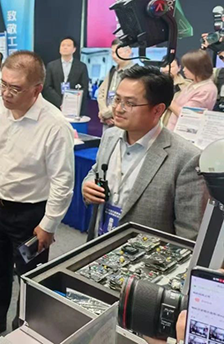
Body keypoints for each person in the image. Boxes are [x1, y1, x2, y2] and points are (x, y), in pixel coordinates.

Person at [0, 51, 75, 344]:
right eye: (3, 84)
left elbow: (62, 181)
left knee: (31, 278)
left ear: (37, 89)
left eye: (15, 88)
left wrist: (49, 224)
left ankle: (24, 330)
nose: (6, 93)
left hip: (32, 216)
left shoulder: (54, 124)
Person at [83, 66, 205, 241]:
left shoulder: (186, 158)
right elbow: (96, 171)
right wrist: (88, 184)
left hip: (144, 254)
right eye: (117, 99)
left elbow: (189, 234)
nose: (118, 108)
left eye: (130, 103)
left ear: (157, 110)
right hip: (99, 244)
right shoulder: (110, 136)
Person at [167, 50, 218, 130]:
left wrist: (167, 100)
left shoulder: (206, 90)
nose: (183, 70)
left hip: (184, 132)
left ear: (197, 69)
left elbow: (187, 115)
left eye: (187, 67)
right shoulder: (193, 84)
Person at [43, 37, 90, 115]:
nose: (65, 47)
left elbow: (84, 87)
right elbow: (47, 87)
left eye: (68, 45)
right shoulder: (51, 66)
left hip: (74, 107)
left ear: (74, 49)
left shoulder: (81, 66)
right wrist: (60, 102)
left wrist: (70, 103)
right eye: (63, 45)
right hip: (55, 106)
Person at [97, 40, 134, 127]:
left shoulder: (134, 72)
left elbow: (128, 99)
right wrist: (104, 112)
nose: (114, 56)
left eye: (118, 52)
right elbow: (101, 92)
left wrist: (107, 113)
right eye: (112, 52)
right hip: (107, 121)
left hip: (123, 120)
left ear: (128, 52)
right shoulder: (112, 71)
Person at [160, 58, 190, 125]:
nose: (167, 69)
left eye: (171, 66)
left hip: (176, 125)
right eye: (164, 66)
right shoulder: (154, 85)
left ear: (179, 68)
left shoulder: (187, 86)